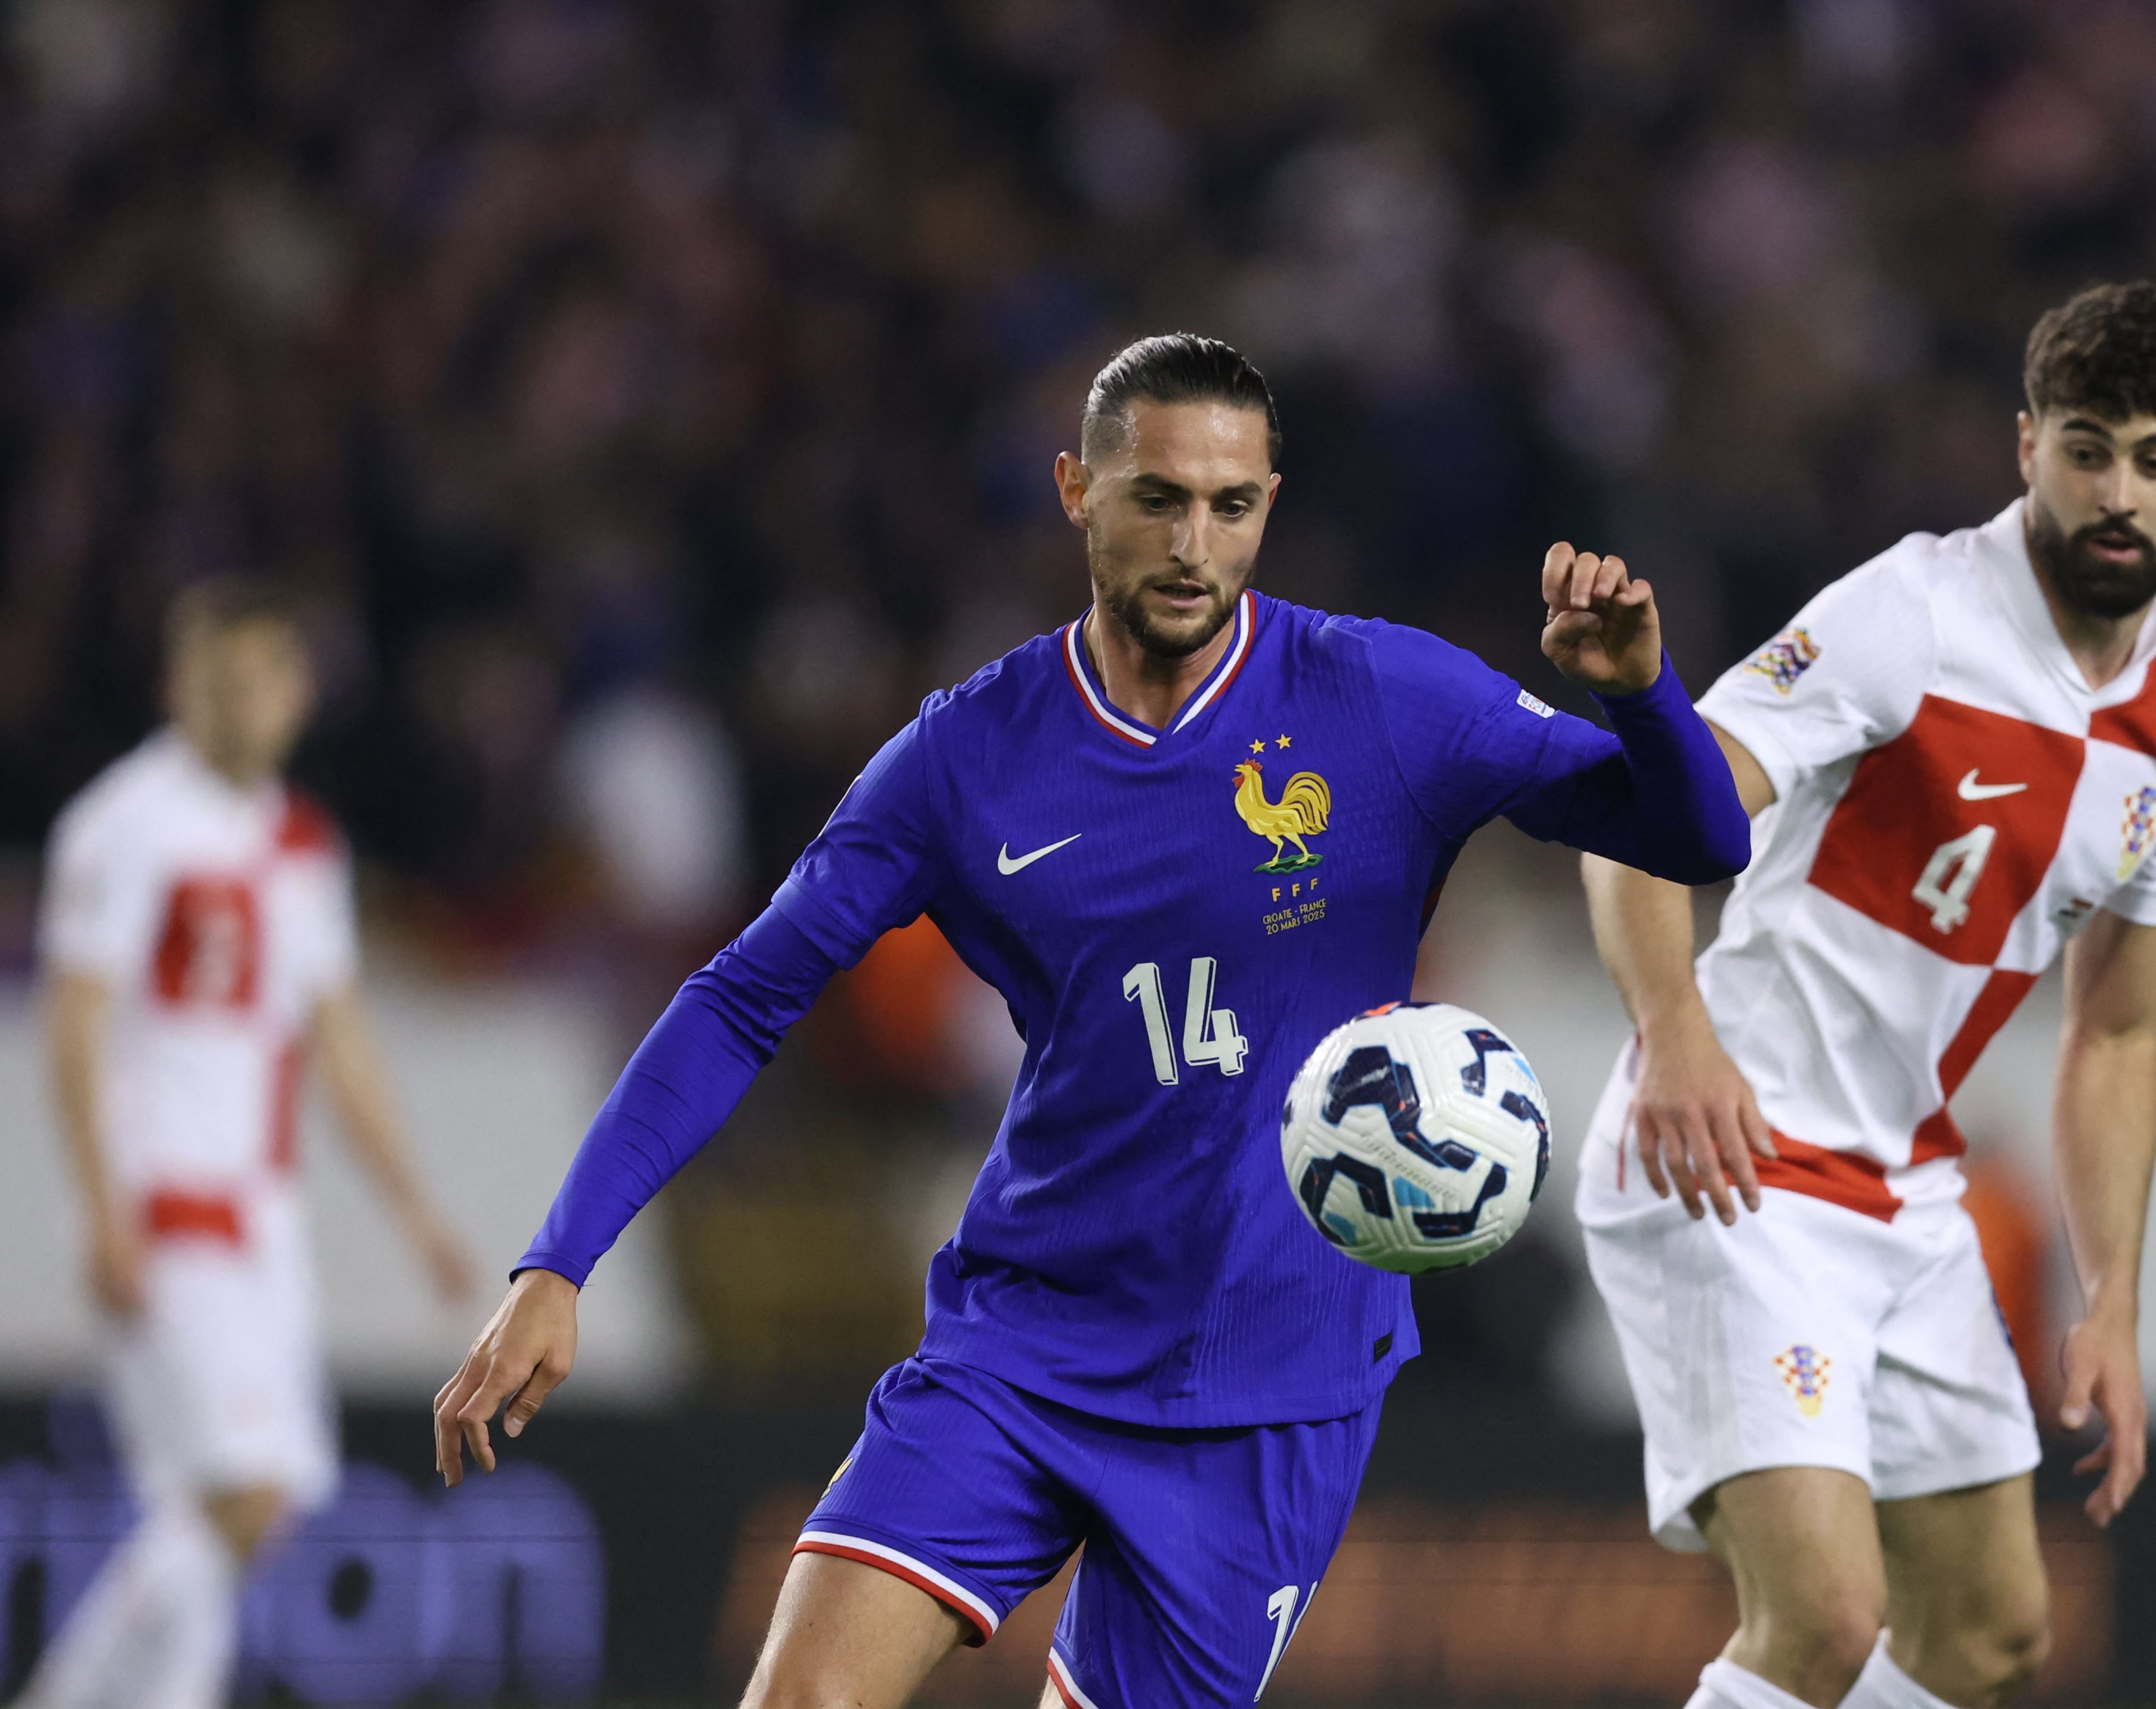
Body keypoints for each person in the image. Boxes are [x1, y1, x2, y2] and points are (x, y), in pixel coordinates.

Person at [432, 332, 1752, 1708]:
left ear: (1269, 507)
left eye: (1230, 506)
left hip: (1272, 1380)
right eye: (1156, 498)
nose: (1194, 543)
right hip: (1028, 1341)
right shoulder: (968, 754)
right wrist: (560, 1258)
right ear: (1075, 488)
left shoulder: (1379, 698)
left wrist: (1638, 689)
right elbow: (743, 993)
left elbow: (1694, 837)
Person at [1575, 282, 2156, 1709]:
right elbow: (1643, 809)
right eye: (2084, 447)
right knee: (1819, 1616)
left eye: (2153, 456)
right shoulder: (1911, 614)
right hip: (1729, 1151)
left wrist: (2113, 1295)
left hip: (1904, 1193)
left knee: (1990, 1632)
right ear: (2024, 446)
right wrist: (1673, 1033)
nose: (2114, 492)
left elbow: (2115, 1030)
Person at [26, 580, 474, 1709]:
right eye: (216, 681)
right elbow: (73, 1028)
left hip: (264, 1224)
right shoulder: (123, 824)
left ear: (298, 690)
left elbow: (341, 1043)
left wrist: (416, 1210)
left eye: (262, 680)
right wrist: (103, 1208)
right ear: (178, 685)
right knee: (246, 1498)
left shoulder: (302, 845)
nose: (240, 704)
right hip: (165, 1209)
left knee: (231, 1519)